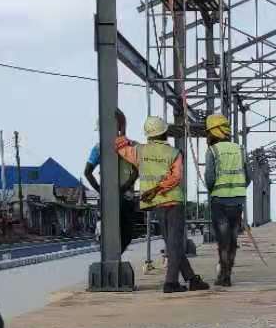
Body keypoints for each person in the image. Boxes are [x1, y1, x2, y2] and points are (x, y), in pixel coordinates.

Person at [121, 116, 209, 293]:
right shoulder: (174, 153)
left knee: (172, 244)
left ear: (148, 135)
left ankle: (191, 279)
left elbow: (120, 146)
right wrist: (159, 187)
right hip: (173, 202)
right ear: (165, 133)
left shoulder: (139, 151)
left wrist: (122, 130)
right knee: (174, 244)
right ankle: (171, 283)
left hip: (157, 205)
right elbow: (176, 178)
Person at [203, 113, 251, 287]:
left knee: (222, 241)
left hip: (219, 201)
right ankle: (228, 273)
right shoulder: (240, 149)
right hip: (237, 201)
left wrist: (213, 189)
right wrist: (237, 188)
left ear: (213, 132)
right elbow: (249, 176)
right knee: (232, 239)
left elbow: (209, 177)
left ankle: (223, 276)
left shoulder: (213, 151)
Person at [84, 109, 141, 254]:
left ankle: (111, 259)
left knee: (108, 233)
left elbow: (87, 172)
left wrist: (101, 190)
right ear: (122, 126)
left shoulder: (98, 148)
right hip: (126, 198)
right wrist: (124, 188)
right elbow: (137, 170)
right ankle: (114, 259)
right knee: (126, 234)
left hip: (107, 199)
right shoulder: (132, 146)